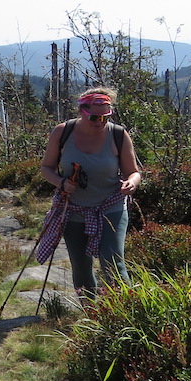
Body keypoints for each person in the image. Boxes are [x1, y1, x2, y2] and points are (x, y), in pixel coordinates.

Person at [36, 87, 141, 299]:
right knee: (81, 266)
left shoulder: (119, 135)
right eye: (94, 116)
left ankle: (126, 311)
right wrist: (61, 182)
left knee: (112, 260)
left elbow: (133, 172)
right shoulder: (62, 132)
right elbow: (46, 168)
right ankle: (91, 314)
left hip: (111, 205)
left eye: (106, 116)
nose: (99, 121)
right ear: (81, 111)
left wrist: (131, 183)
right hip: (72, 208)